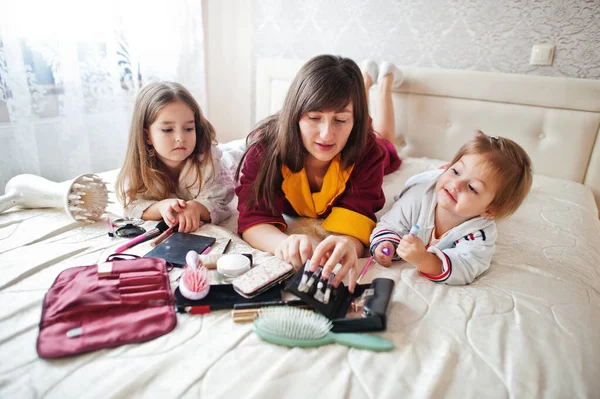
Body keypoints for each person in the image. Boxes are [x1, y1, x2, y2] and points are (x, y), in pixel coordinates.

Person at [235, 55, 403, 292]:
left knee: (385, 140)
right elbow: (252, 218)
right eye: (314, 118)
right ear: (295, 114)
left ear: (355, 122)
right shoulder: (264, 150)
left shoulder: (368, 152)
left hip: (368, 141)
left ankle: (384, 82)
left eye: (341, 120)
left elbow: (357, 217)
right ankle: (364, 83)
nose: (326, 135)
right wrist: (284, 244)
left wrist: (347, 244)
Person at [370, 131, 533, 284]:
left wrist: (424, 260)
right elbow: (389, 224)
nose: (456, 184)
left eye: (472, 187)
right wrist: (386, 245)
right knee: (440, 177)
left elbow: (465, 267)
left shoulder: (479, 233)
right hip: (430, 182)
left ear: (490, 210)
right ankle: (443, 170)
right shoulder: (416, 198)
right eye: (456, 171)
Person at [116, 82, 234, 233]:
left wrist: (197, 207)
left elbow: (221, 202)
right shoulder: (138, 169)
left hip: (232, 160)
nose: (180, 138)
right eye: (167, 130)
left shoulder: (210, 162)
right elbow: (132, 207)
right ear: (146, 135)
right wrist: (160, 207)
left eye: (188, 129)